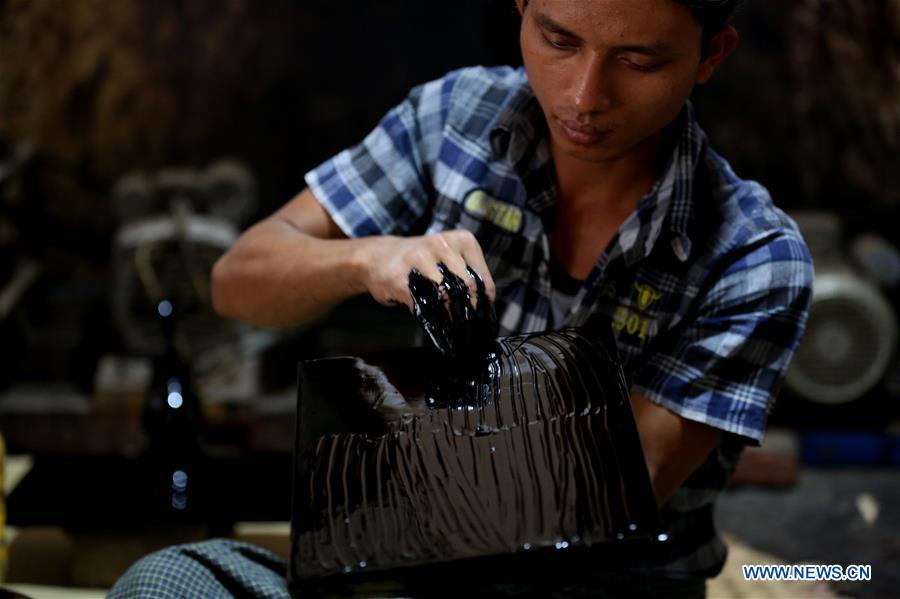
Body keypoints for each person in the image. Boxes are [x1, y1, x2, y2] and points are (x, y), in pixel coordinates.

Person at [110, 0, 813, 597]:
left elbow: (584, 501)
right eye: (558, 40)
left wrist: (375, 452)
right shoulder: (455, 119)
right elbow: (238, 282)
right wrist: (366, 256)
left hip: (600, 584)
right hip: (410, 572)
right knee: (167, 581)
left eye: (638, 60)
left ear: (710, 54)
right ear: (521, 8)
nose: (583, 96)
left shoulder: (752, 258)